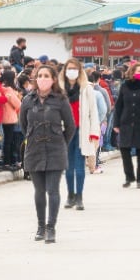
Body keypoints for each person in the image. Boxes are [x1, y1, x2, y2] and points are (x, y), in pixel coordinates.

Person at [19, 63, 75, 243]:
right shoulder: (28, 100)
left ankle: (51, 227)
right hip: (34, 150)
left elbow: (71, 126)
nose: (43, 79)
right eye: (40, 75)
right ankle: (40, 226)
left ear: (53, 80)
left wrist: (61, 142)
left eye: (46, 76)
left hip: (55, 150)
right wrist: (33, 137)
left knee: (53, 190)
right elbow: (23, 125)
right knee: (39, 191)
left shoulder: (60, 99)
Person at [58, 59, 102, 210]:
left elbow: (93, 113)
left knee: (80, 166)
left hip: (81, 131)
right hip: (65, 132)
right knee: (68, 166)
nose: (72, 71)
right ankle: (70, 195)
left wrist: (95, 133)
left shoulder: (86, 88)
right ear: (64, 70)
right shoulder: (59, 89)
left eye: (75, 68)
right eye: (69, 68)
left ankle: (79, 197)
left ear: (79, 71)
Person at [115, 61, 140, 188]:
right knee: (124, 150)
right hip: (126, 123)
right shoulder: (125, 86)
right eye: (139, 71)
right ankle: (129, 177)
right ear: (132, 72)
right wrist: (116, 123)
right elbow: (119, 106)